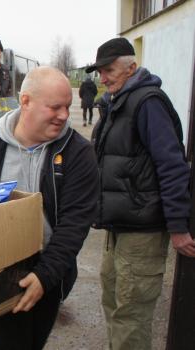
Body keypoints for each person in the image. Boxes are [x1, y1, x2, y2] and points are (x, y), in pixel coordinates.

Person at [0, 66, 99, 350]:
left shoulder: (78, 153)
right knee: (13, 341)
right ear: (26, 101)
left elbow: (75, 223)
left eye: (68, 107)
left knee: (32, 340)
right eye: (55, 107)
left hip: (50, 269)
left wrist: (45, 276)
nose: (65, 115)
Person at [86, 37, 195, 350]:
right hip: (119, 225)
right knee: (112, 301)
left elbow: (172, 165)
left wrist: (177, 226)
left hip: (142, 229)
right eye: (100, 72)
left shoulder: (148, 102)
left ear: (131, 68)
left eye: (108, 71)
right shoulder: (117, 102)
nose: (102, 78)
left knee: (131, 314)